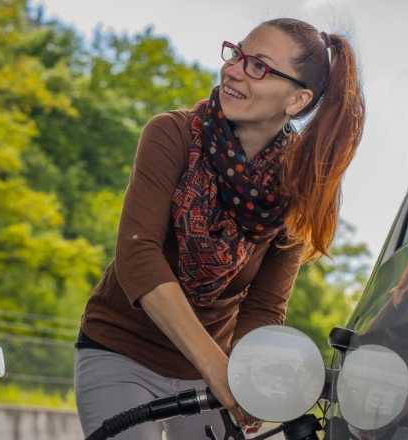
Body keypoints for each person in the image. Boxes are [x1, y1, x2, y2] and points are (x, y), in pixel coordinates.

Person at [75, 17, 366, 439]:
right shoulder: (171, 134)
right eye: (237, 54)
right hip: (120, 350)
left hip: (210, 372)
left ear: (297, 100)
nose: (233, 69)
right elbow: (137, 258)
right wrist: (220, 370)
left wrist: (246, 380)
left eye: (259, 66)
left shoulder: (299, 188)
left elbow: (264, 307)